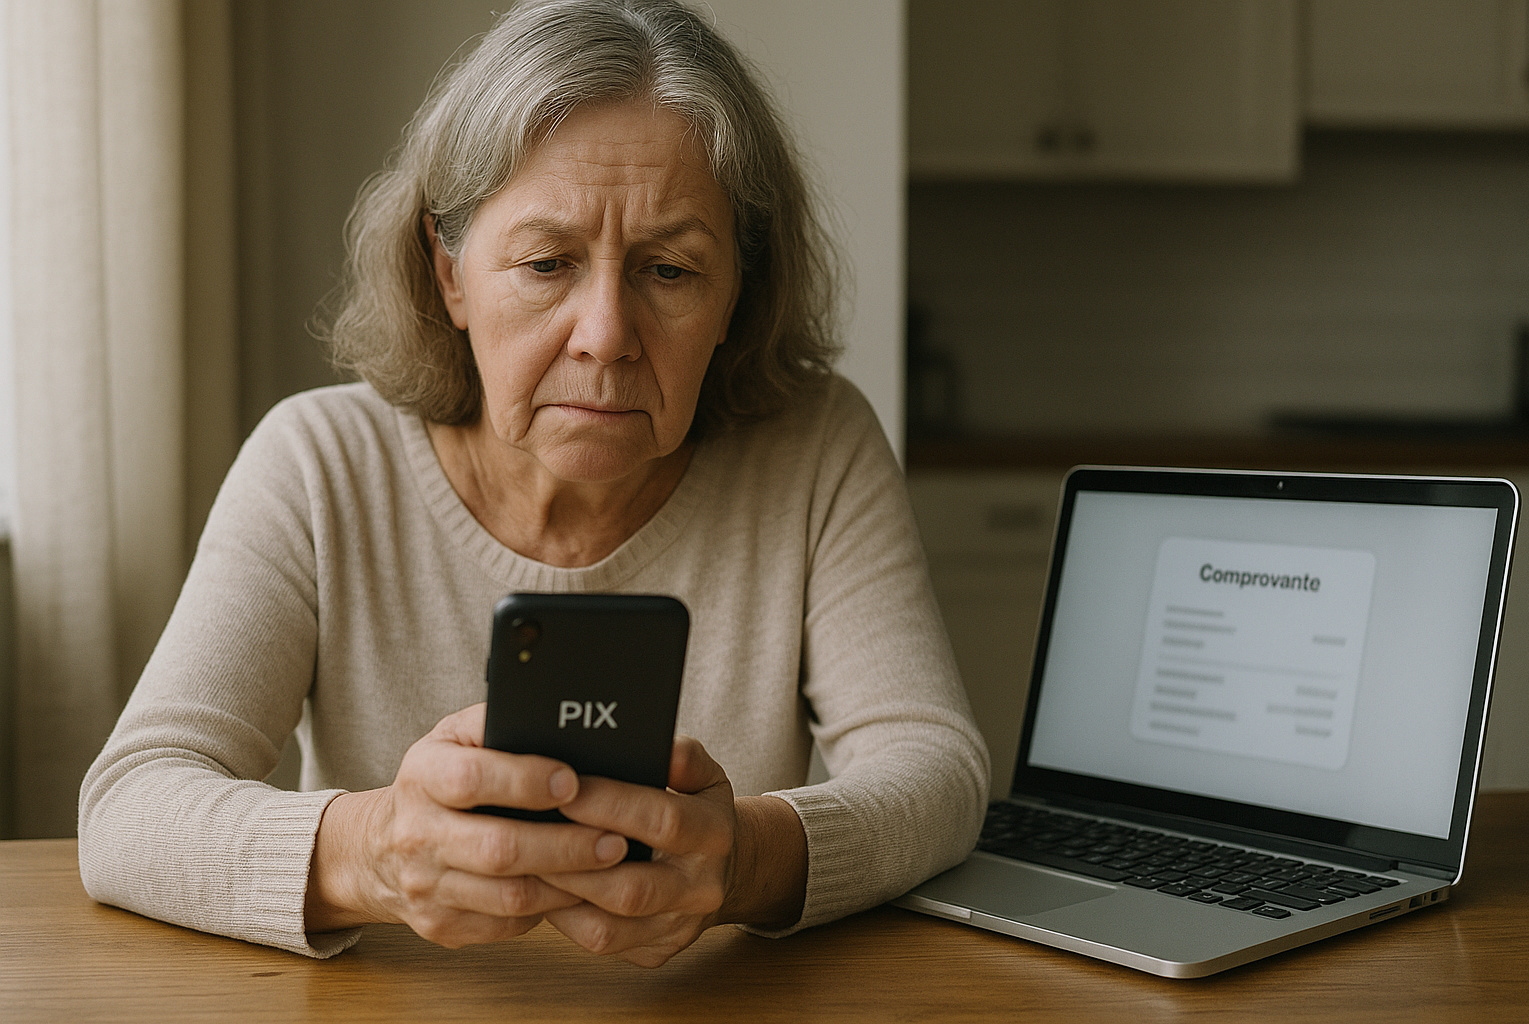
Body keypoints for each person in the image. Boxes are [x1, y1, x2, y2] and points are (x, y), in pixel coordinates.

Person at [78, 0, 987, 966]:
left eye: (671, 270)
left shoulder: (815, 448)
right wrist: (372, 853)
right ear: (450, 275)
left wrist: (744, 862)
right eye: (548, 263)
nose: (606, 334)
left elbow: (937, 772)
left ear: (738, 294)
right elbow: (129, 806)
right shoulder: (319, 464)